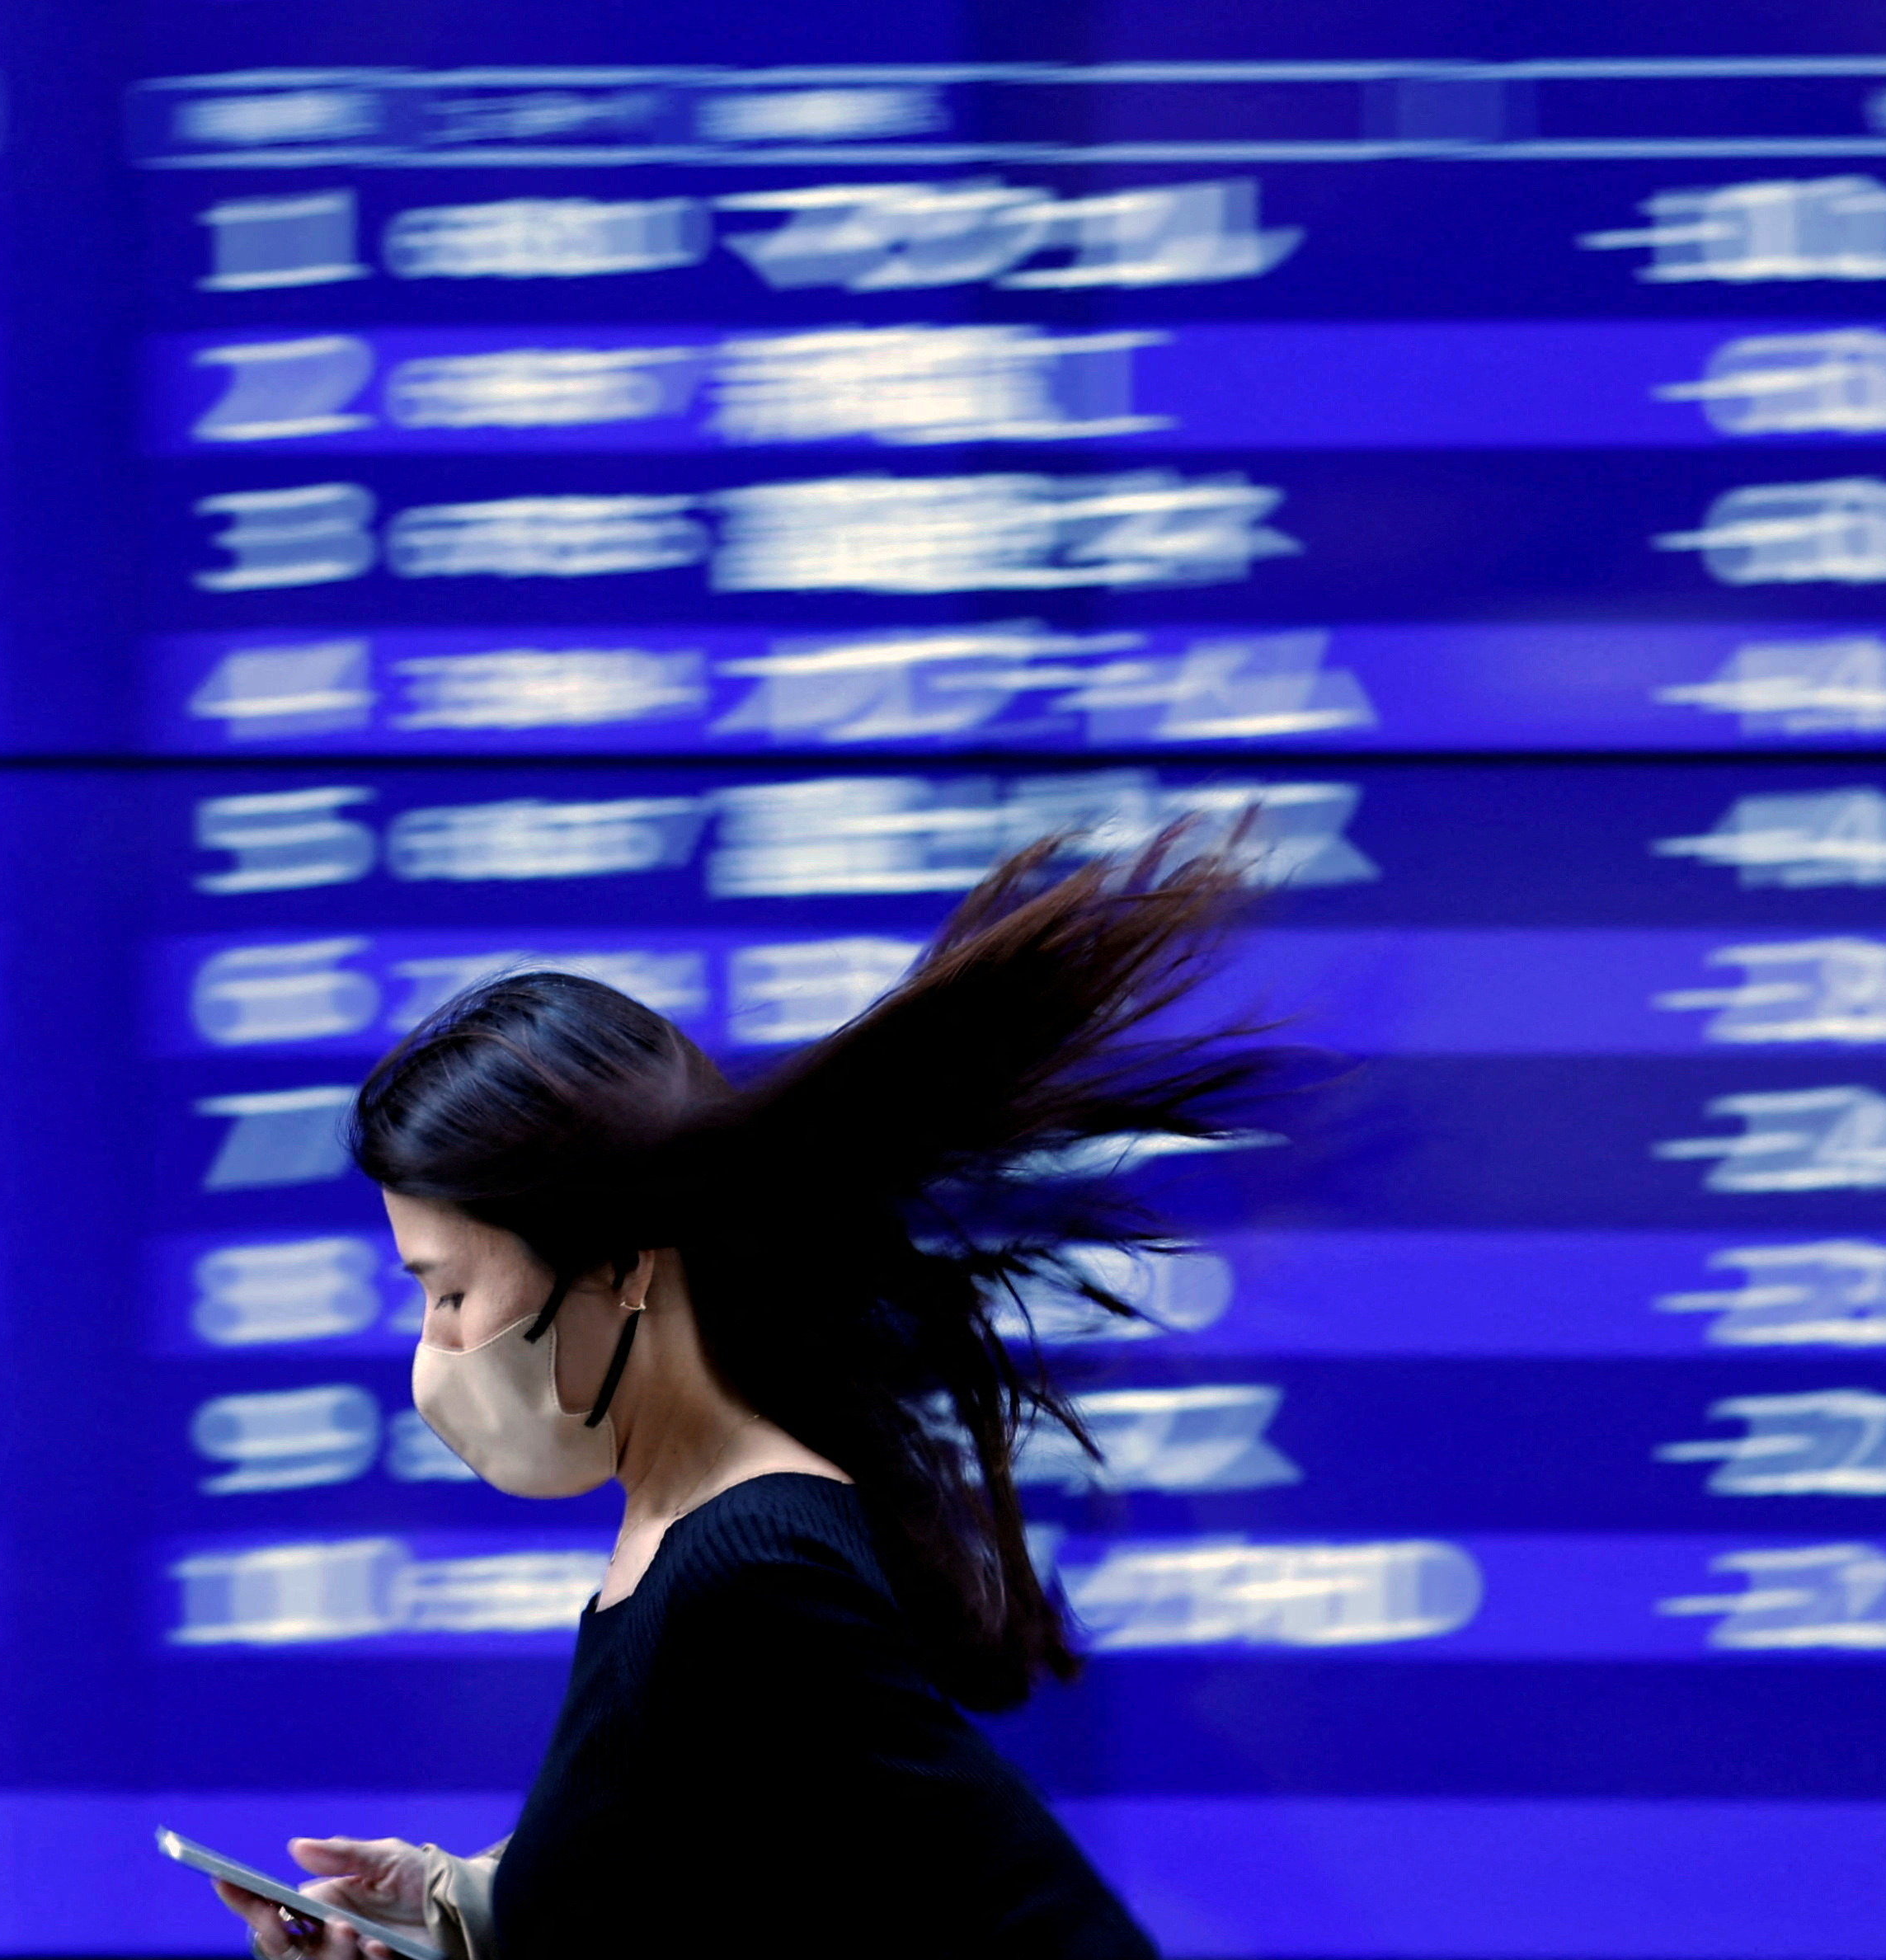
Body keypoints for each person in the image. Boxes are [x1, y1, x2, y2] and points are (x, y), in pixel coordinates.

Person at [209, 824, 1279, 1960]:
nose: (438, 1346)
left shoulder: (749, 1570)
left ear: (621, 1260)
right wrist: (462, 1913)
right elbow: (733, 1887)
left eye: (451, 1290)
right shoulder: (686, 1534)